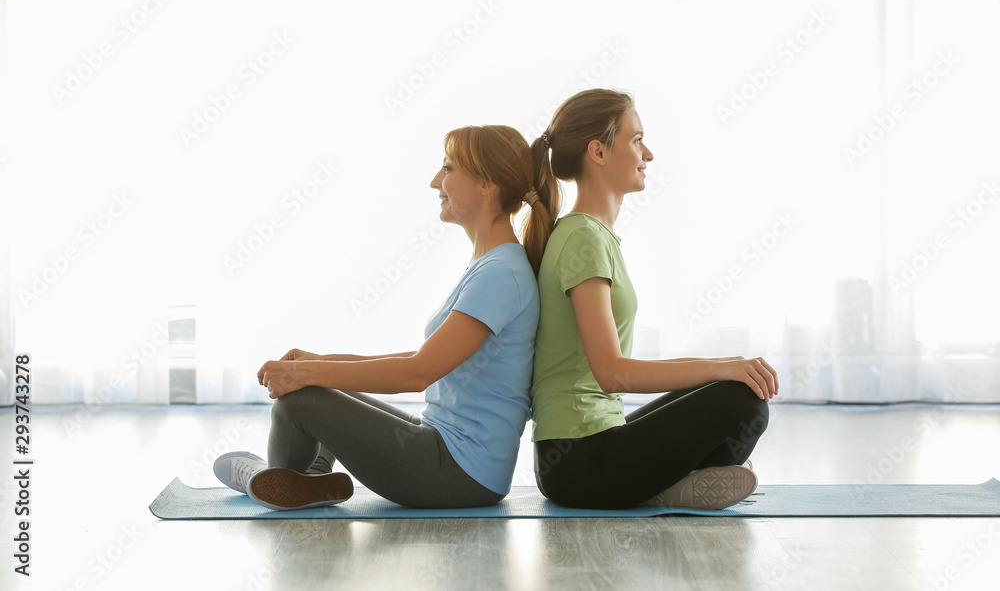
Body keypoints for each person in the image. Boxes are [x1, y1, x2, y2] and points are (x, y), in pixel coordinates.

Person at [213, 124, 557, 510]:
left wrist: (304, 375)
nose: (434, 182)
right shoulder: (492, 264)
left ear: (486, 184)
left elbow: (417, 373)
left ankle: (265, 477)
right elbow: (420, 360)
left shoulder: (500, 273)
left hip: (458, 473)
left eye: (447, 169)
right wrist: (320, 363)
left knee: (299, 401)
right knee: (326, 386)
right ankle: (309, 479)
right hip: (448, 454)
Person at [529, 89, 778, 510]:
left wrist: (723, 368)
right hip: (578, 462)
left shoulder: (591, 235)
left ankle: (673, 482)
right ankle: (671, 484)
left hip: (588, 449)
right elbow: (612, 374)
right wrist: (721, 367)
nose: (649, 154)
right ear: (599, 152)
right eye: (636, 139)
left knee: (730, 384)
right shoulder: (582, 239)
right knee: (743, 403)